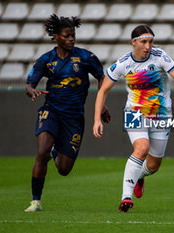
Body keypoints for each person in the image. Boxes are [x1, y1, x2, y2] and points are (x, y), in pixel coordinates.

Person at [93, 25, 174, 212]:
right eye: (143, 42)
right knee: (141, 148)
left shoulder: (160, 57)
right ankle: (126, 198)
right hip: (134, 113)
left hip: (161, 115)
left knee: (154, 166)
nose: (148, 46)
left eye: (150, 41)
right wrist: (96, 120)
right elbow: (103, 91)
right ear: (133, 42)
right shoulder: (123, 63)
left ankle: (139, 176)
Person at [24, 14, 110, 212]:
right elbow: (29, 85)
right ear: (56, 36)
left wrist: (101, 102)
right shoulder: (46, 60)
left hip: (74, 118)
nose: (71, 39)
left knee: (64, 169)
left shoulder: (86, 57)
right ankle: (35, 201)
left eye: (73, 35)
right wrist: (32, 91)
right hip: (51, 111)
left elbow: (103, 78)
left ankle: (56, 151)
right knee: (41, 152)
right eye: (67, 36)